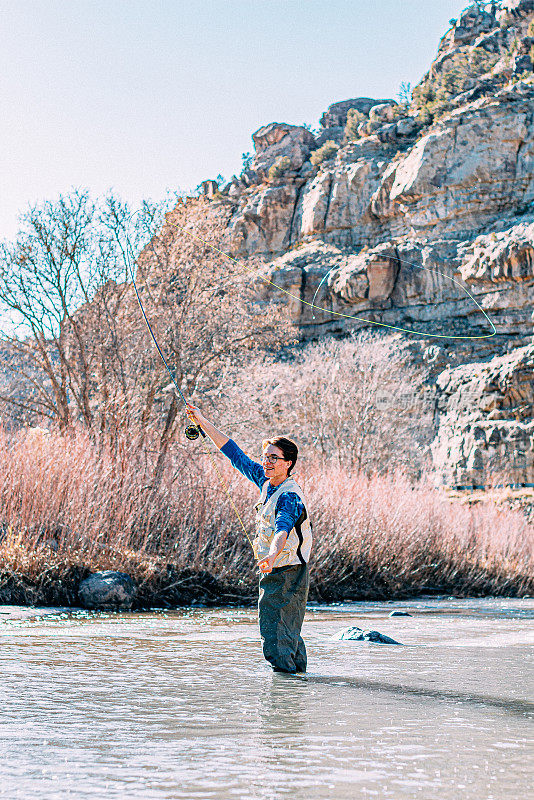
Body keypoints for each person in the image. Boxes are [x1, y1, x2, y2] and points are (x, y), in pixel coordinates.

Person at [185, 404, 312, 674]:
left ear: (288, 463)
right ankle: (297, 686)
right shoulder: (265, 481)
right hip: (277, 568)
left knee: (276, 636)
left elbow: (283, 528)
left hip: (286, 570)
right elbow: (233, 453)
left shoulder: (289, 495)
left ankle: (284, 701)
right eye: (265, 457)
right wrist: (203, 421)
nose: (267, 462)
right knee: (287, 632)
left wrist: (272, 555)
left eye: (274, 458)